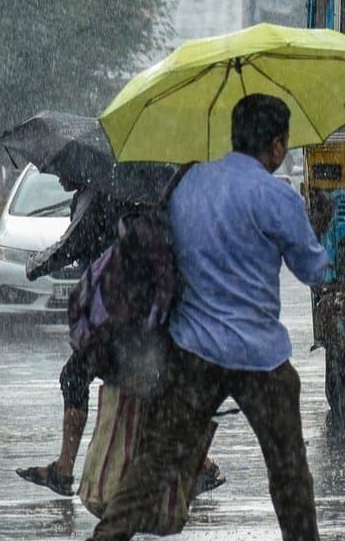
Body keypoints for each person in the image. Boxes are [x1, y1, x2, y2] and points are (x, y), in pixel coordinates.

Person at [68, 94, 332, 541]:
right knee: (288, 469)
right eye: (283, 146)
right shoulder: (277, 197)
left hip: (193, 352)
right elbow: (314, 270)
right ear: (275, 146)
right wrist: (320, 225)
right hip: (261, 358)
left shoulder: (187, 184)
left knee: (159, 457)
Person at [15, 177, 225, 497]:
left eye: (64, 170)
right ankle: (200, 464)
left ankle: (65, 468)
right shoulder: (136, 192)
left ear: (83, 168)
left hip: (118, 314)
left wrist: (35, 266)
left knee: (79, 377)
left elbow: (73, 243)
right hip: (141, 309)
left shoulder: (97, 196)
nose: (58, 176)